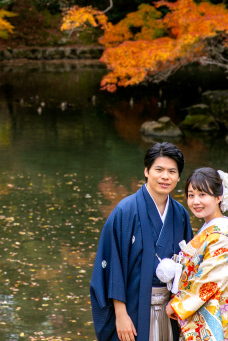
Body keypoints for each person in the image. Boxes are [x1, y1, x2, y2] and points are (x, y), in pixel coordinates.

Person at [90, 142, 194, 341]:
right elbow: (113, 265)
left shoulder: (180, 214)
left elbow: (189, 265)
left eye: (172, 171)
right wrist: (120, 315)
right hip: (133, 309)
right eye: (159, 169)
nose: (165, 176)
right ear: (146, 171)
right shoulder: (125, 211)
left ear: (178, 177)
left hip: (170, 310)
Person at [165, 167, 228, 341]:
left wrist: (178, 305)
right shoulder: (211, 231)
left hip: (212, 318)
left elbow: (208, 280)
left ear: (218, 197)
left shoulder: (221, 236)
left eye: (202, 195)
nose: (195, 201)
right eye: (191, 195)